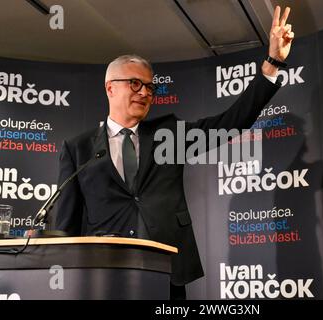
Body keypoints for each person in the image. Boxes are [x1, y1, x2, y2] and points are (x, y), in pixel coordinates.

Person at [55, 6, 294, 299]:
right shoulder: (78, 149)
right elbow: (65, 224)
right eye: (135, 84)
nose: (144, 93)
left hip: (167, 273)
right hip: (105, 274)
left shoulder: (168, 135)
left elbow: (231, 123)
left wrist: (271, 63)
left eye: (150, 88)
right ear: (110, 88)